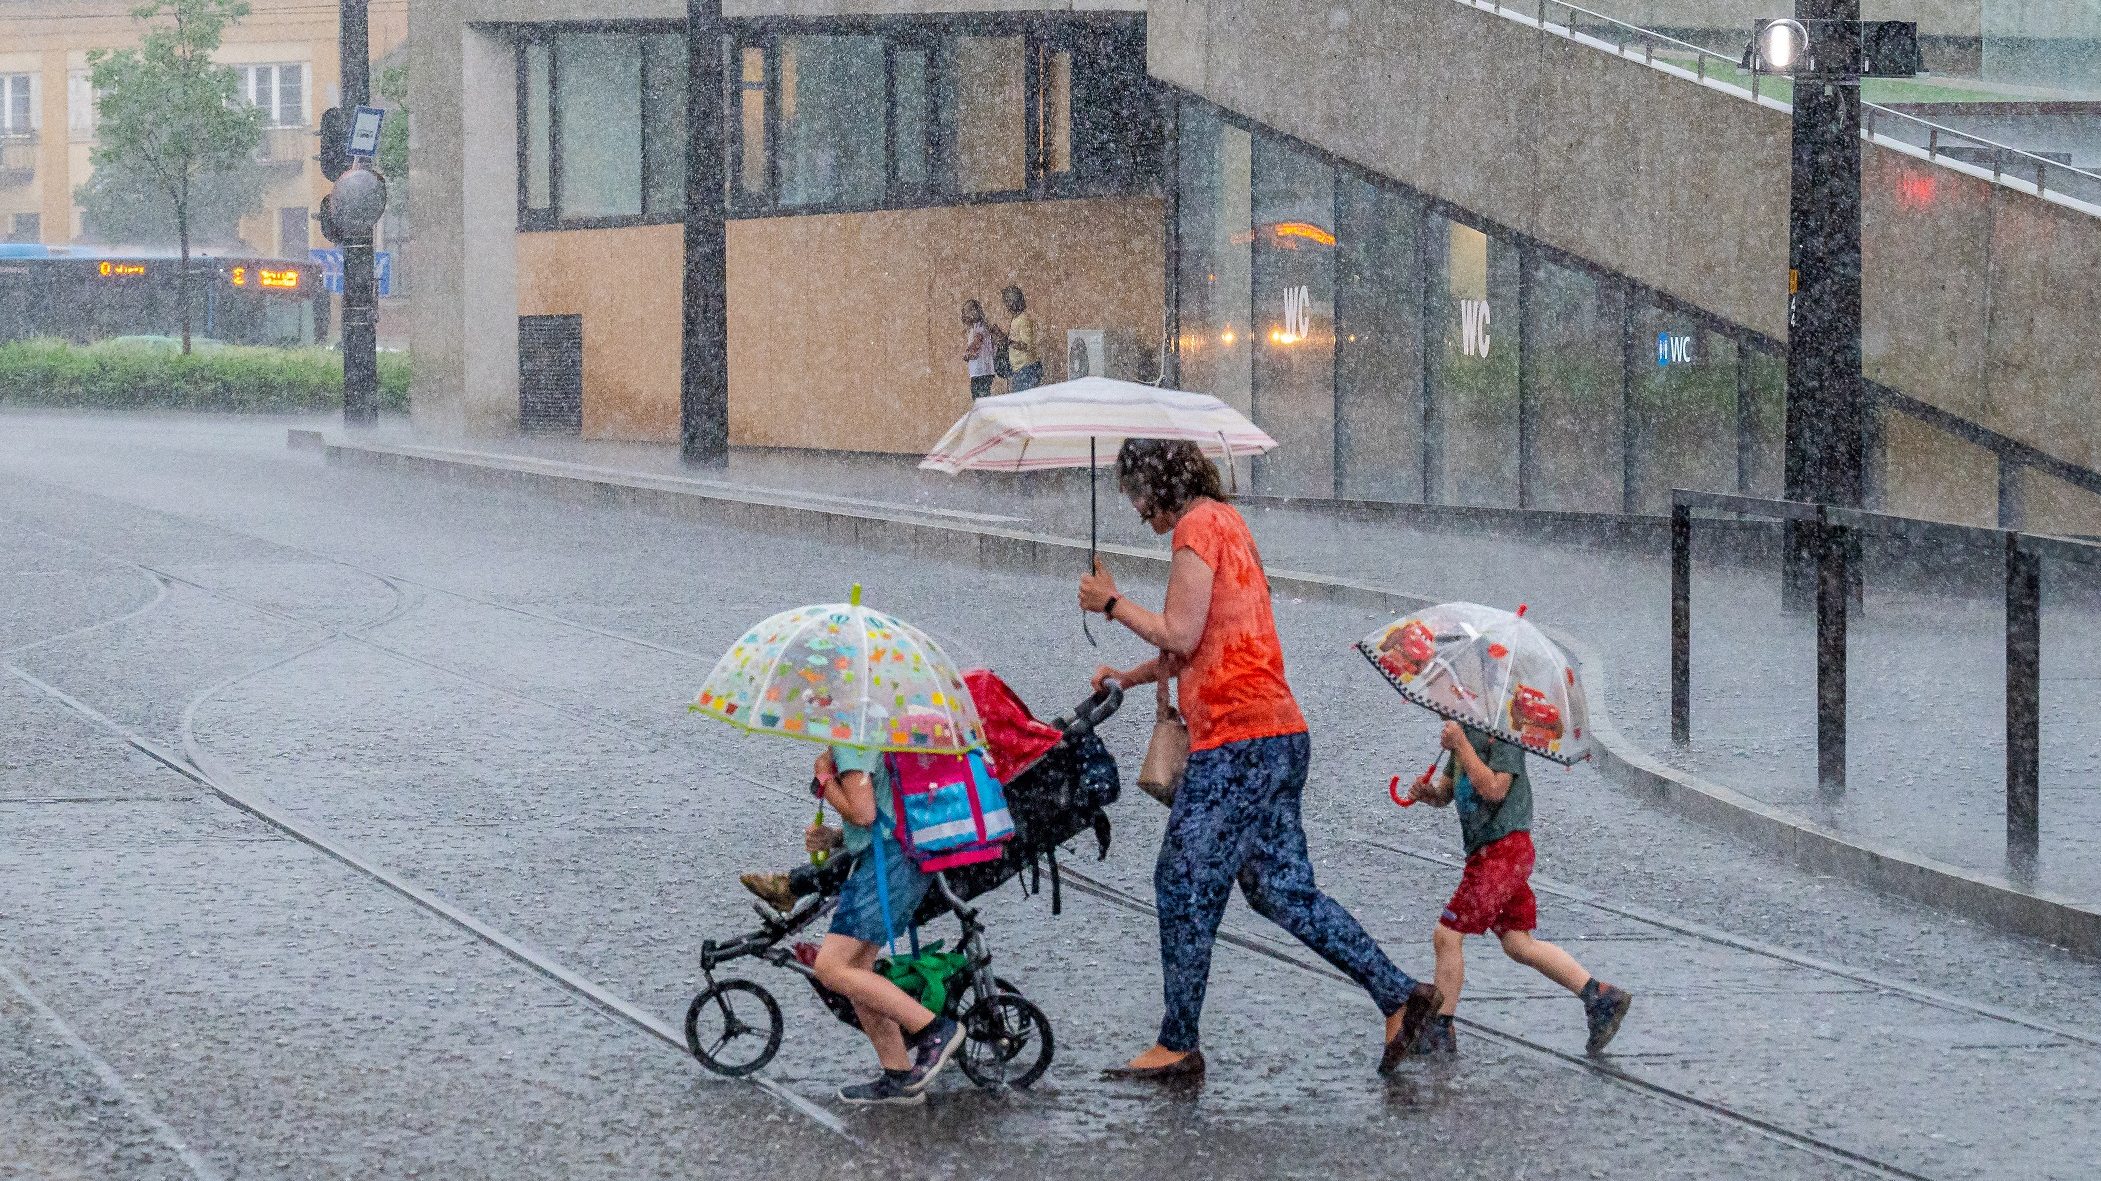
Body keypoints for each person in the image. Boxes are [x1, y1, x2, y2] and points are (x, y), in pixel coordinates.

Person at [1079, 438, 1441, 1082]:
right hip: (1277, 735)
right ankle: (1397, 995)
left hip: (1236, 745)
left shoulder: (1194, 527)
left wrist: (1112, 603)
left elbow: (1181, 633)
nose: (1136, 510)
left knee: (1181, 881)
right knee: (1280, 890)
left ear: (1161, 483)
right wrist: (1130, 680)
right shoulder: (1230, 524)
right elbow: (1217, 638)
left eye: (1136, 492)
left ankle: (1178, 1042)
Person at [1404, 720, 1634, 1058]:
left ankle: (1439, 1030)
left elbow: (1495, 789)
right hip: (1489, 853)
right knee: (1517, 943)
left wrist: (1462, 746)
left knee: (1447, 934)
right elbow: (1449, 788)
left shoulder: (1505, 732)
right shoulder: (1463, 727)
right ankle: (1599, 997)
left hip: (1504, 850)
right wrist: (1431, 794)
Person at [805, 746, 965, 1104]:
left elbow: (863, 812)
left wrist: (825, 781)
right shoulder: (869, 730)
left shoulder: (854, 741)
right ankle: (898, 1074)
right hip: (894, 857)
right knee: (857, 970)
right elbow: (876, 813)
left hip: (888, 863)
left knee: (831, 968)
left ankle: (934, 1030)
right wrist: (833, 838)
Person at [1001, 286, 1042, 392]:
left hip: (1026, 368)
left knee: (1024, 401)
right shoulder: (1016, 319)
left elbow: (1026, 345)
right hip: (1019, 369)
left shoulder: (1024, 319)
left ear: (1014, 302)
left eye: (1007, 302)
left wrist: (1009, 342)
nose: (1006, 306)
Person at [962, 300, 997, 400]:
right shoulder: (976, 327)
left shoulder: (979, 327)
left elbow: (977, 343)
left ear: (974, 312)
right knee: (981, 397)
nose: (964, 315)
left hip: (981, 371)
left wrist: (968, 353)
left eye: (966, 312)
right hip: (981, 371)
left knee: (980, 398)